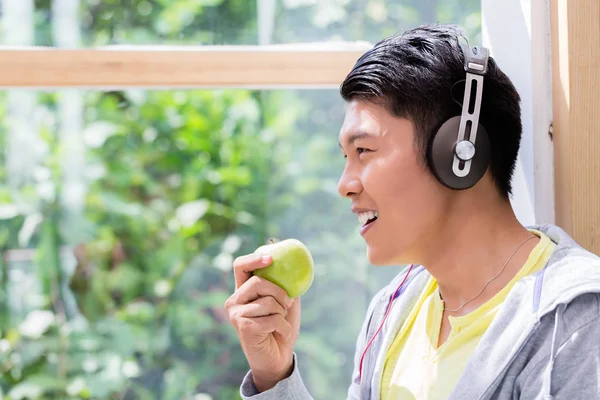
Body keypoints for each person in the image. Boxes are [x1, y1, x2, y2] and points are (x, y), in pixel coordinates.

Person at [224, 24, 600, 399]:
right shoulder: (392, 312)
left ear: (458, 154)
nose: (345, 184)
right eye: (345, 157)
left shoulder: (576, 325)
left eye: (364, 152)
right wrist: (274, 375)